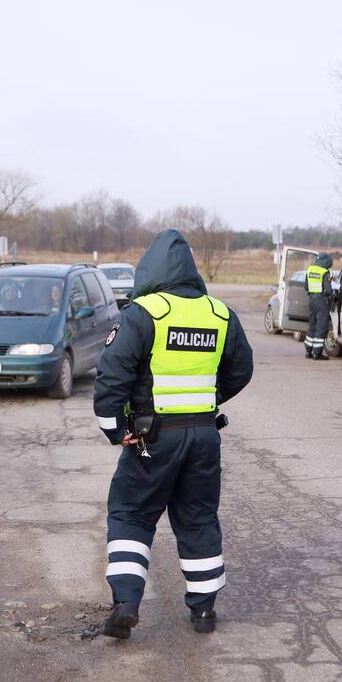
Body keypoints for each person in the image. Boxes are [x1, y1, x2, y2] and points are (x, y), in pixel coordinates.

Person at [92, 229, 254, 639]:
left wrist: (115, 429)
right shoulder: (220, 313)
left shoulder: (143, 312)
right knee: (198, 517)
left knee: (131, 513)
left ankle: (126, 603)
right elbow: (242, 370)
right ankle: (203, 612)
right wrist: (206, 399)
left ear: (151, 270)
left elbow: (112, 374)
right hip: (203, 436)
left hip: (152, 438)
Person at [304, 253, 334, 360]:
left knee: (312, 326)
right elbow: (329, 290)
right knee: (321, 327)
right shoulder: (324, 272)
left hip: (311, 301)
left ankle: (308, 351)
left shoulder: (309, 270)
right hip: (321, 302)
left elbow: (306, 287)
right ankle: (317, 353)